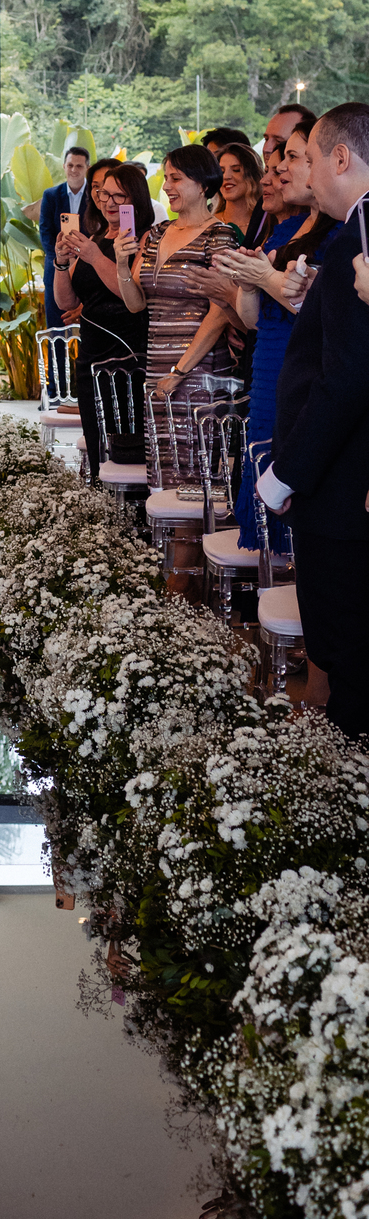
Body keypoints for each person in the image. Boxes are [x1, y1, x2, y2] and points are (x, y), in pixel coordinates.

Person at [256, 104, 369, 741]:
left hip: (343, 483)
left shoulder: (358, 237)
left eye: (311, 158)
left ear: (341, 158)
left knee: (348, 654)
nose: (304, 176)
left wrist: (287, 472)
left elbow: (347, 377)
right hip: (344, 474)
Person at [210, 127, 337, 558]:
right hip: (266, 366)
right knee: (263, 459)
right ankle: (269, 579)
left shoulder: (340, 232)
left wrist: (264, 277)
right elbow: (253, 319)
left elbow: (317, 308)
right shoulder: (288, 230)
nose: (280, 170)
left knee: (291, 473)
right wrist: (248, 281)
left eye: (295, 158)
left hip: (301, 364)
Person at [114, 144, 239, 487]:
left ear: (202, 185)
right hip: (157, 368)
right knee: (162, 476)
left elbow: (220, 312)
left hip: (199, 372)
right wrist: (122, 264)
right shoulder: (157, 233)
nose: (167, 186)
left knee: (195, 480)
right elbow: (136, 304)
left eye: (176, 178)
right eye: (167, 178)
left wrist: (180, 371)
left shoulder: (220, 235)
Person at [52, 162, 154, 481]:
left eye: (119, 196)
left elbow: (132, 296)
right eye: (103, 194)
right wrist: (60, 262)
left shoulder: (143, 239)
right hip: (91, 356)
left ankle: (128, 509)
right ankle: (98, 504)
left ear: (135, 199)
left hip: (127, 356)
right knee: (96, 445)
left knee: (124, 447)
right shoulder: (95, 237)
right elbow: (67, 303)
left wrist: (96, 257)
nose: (109, 202)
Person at [38, 146, 90, 321]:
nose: (74, 170)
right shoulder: (51, 195)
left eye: (79, 166)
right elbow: (45, 233)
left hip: (86, 268)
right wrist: (63, 258)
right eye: (70, 165)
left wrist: (79, 257)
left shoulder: (95, 196)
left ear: (87, 168)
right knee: (56, 324)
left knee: (86, 324)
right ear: (64, 166)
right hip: (56, 268)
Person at [216, 142, 266, 245]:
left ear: (253, 176)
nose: (226, 176)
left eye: (236, 170)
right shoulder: (209, 223)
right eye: (222, 171)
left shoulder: (265, 222)